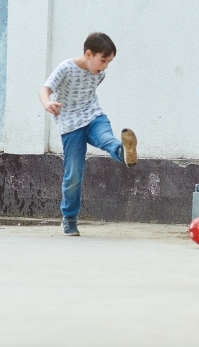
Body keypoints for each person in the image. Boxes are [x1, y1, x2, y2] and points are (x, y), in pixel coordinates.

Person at [39, 32, 137, 236]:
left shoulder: (99, 74)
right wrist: (47, 103)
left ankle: (124, 152)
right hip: (70, 125)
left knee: (107, 139)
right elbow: (45, 89)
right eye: (103, 60)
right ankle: (69, 219)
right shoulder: (66, 68)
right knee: (74, 174)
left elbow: (89, 93)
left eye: (109, 62)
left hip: (94, 116)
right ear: (88, 54)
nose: (105, 67)